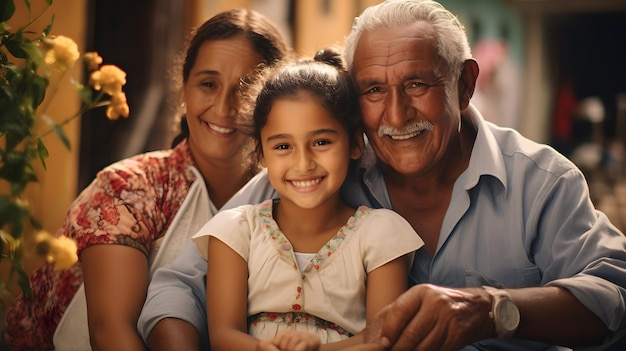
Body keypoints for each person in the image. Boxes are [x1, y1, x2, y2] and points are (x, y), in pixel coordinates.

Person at [138, 1, 626, 350]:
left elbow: (615, 293)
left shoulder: (541, 181)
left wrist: (493, 309)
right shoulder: (319, 170)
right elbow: (179, 286)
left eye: (416, 83)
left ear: (465, 84)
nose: (395, 114)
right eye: (373, 89)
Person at [4, 9, 289, 351]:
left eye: (246, 89)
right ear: (184, 88)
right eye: (208, 84)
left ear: (272, 104)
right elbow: (110, 331)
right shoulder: (128, 189)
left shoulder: (287, 198)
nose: (224, 106)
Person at [196, 50, 423, 351]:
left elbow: (381, 339)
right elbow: (224, 336)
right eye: (283, 146)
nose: (303, 164)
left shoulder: (381, 235)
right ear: (261, 153)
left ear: (355, 143)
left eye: (321, 142)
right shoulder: (236, 233)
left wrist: (314, 349)